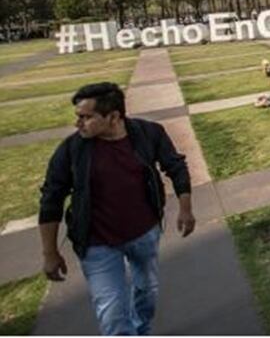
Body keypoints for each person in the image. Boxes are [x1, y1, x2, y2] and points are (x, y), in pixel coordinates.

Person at [39, 82, 195, 335]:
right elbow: (51, 199)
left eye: (86, 117)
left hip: (145, 234)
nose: (78, 124)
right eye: (78, 117)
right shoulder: (71, 149)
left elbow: (175, 167)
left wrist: (186, 209)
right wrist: (49, 252)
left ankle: (141, 329)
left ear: (113, 117)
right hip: (96, 244)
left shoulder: (149, 133)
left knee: (147, 294)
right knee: (112, 312)